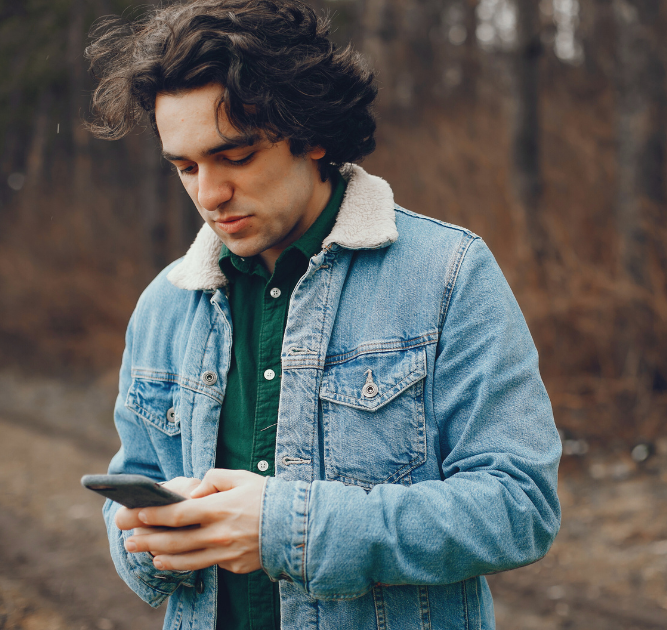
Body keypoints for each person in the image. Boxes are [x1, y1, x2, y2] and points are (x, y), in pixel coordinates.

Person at [86, 1, 561, 629]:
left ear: (310, 136)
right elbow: (132, 504)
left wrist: (287, 528)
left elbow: (519, 508)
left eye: (235, 156)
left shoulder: (447, 274)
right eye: (186, 167)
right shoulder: (164, 305)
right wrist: (150, 542)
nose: (208, 193)